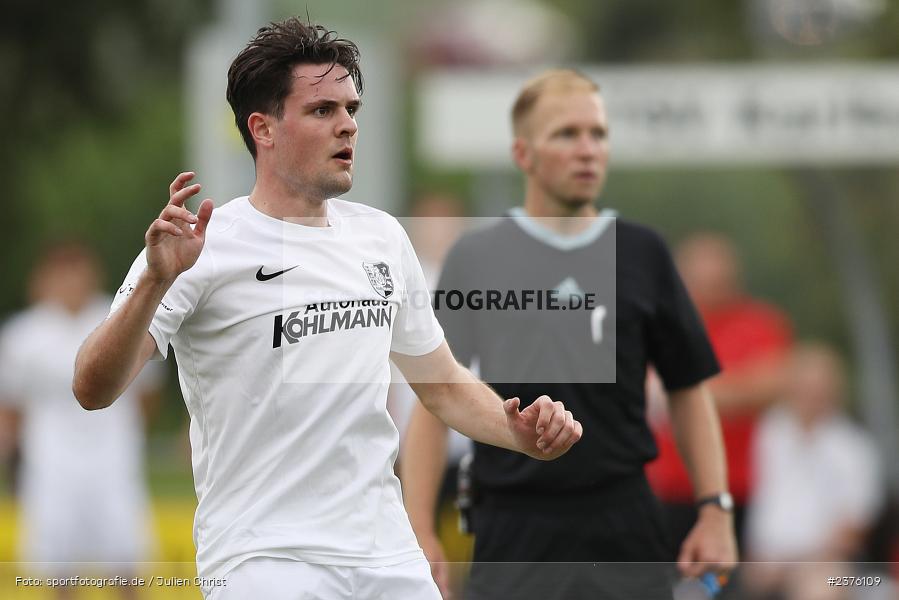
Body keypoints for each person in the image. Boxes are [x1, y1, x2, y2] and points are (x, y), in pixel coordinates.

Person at [71, 18, 582, 600]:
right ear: (262, 128)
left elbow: (439, 383)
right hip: (263, 559)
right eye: (322, 111)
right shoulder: (200, 245)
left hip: (386, 553)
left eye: (352, 109)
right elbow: (93, 387)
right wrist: (153, 284)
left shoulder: (382, 237)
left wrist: (517, 433)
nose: (347, 125)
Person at [400, 69, 737, 600]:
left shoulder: (643, 252)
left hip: (624, 523)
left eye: (597, 134)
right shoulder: (478, 256)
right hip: (513, 527)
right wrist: (419, 526)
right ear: (523, 153)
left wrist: (714, 508)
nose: (587, 150)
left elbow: (687, 388)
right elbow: (434, 398)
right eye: (566, 134)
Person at [0, 240, 162, 600]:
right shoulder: (23, 336)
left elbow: (147, 394)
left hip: (112, 457)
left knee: (126, 556)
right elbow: (11, 405)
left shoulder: (117, 317)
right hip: (51, 461)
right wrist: (11, 457)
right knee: (58, 563)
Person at [646, 233, 793, 550]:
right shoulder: (657, 322)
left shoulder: (759, 322)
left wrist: (680, 391)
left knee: (721, 582)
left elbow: (770, 385)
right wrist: (726, 391)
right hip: (663, 483)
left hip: (736, 484)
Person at [742, 343, 884, 600]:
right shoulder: (770, 431)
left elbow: (853, 527)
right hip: (763, 562)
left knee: (821, 590)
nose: (809, 396)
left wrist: (798, 564)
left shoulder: (853, 447)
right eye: (803, 387)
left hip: (832, 565)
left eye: (818, 389)